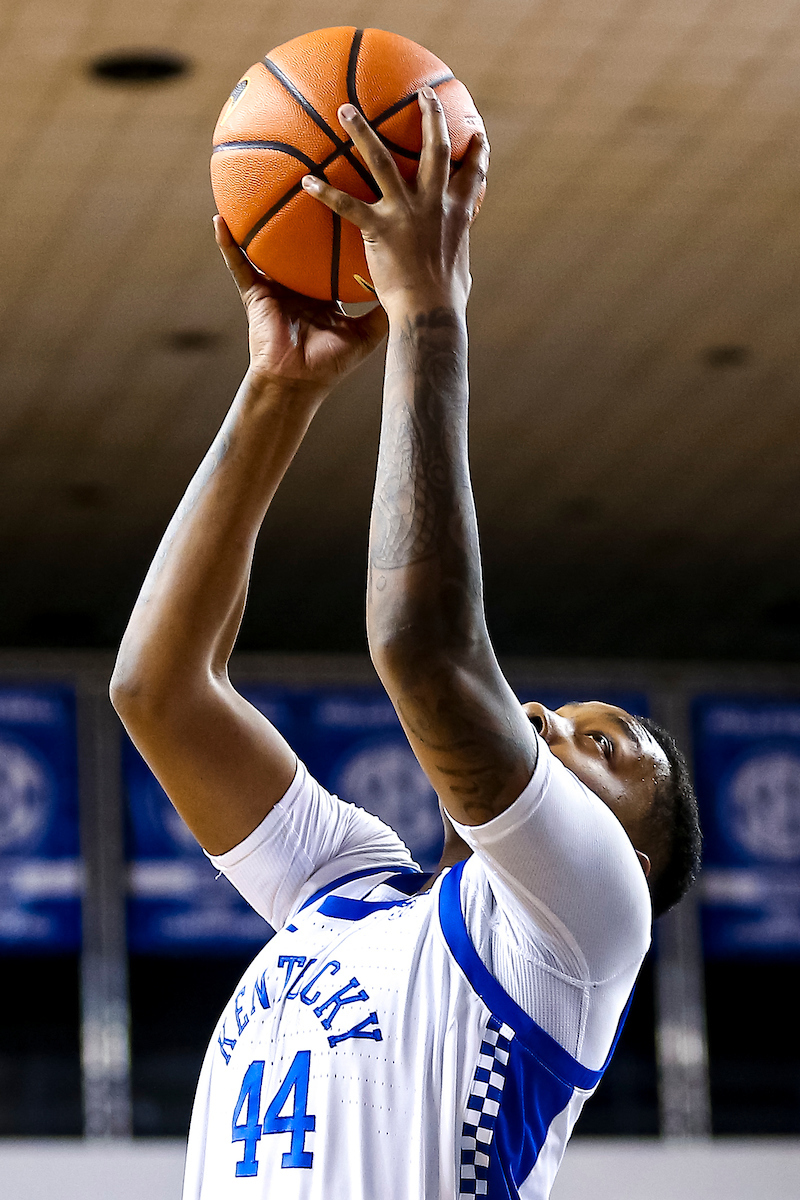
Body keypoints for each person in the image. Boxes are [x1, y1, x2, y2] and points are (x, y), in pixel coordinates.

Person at [111, 88, 701, 1199]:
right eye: (563, 716)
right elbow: (159, 688)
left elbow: (420, 647)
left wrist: (429, 312)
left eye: (600, 750)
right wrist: (278, 386)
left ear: (618, 862)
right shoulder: (345, 886)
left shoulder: (583, 928)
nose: (540, 718)